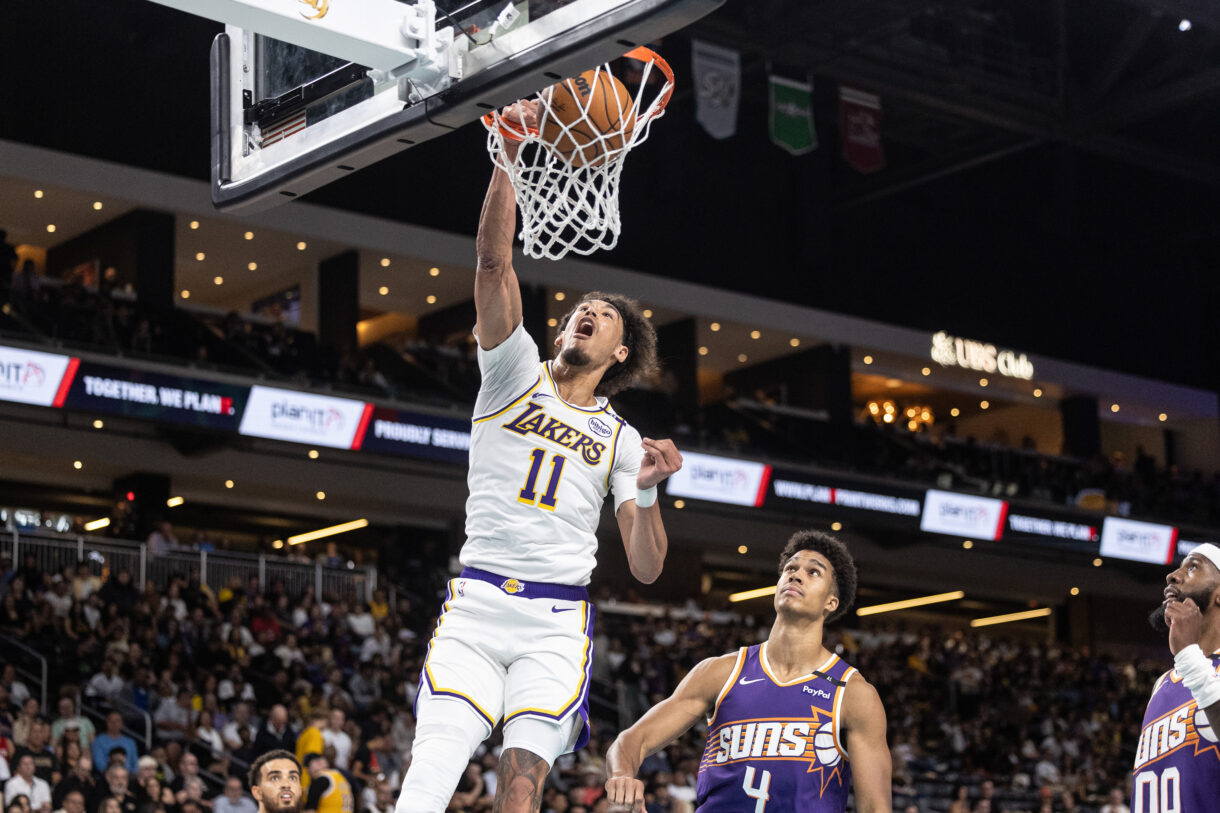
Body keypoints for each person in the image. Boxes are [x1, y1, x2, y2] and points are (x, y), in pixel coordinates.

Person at [396, 106, 682, 813]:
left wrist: (646, 495)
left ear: (620, 351)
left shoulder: (622, 439)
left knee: (521, 786)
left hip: (556, 620)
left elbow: (646, 567)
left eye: (603, 314)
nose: (584, 311)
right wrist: (508, 155)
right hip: (478, 600)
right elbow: (493, 263)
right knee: (429, 773)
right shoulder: (513, 369)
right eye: (578, 307)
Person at [603, 531, 891, 813]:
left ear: (831, 602)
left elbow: (876, 807)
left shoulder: (853, 694)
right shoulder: (721, 672)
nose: (796, 574)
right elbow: (630, 742)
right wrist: (622, 779)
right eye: (790, 568)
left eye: (813, 572)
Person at [1138, 542, 1220, 810]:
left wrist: (1188, 654)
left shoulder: (1192, 664)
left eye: (1193, 566)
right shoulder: (1162, 683)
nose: (1173, 575)